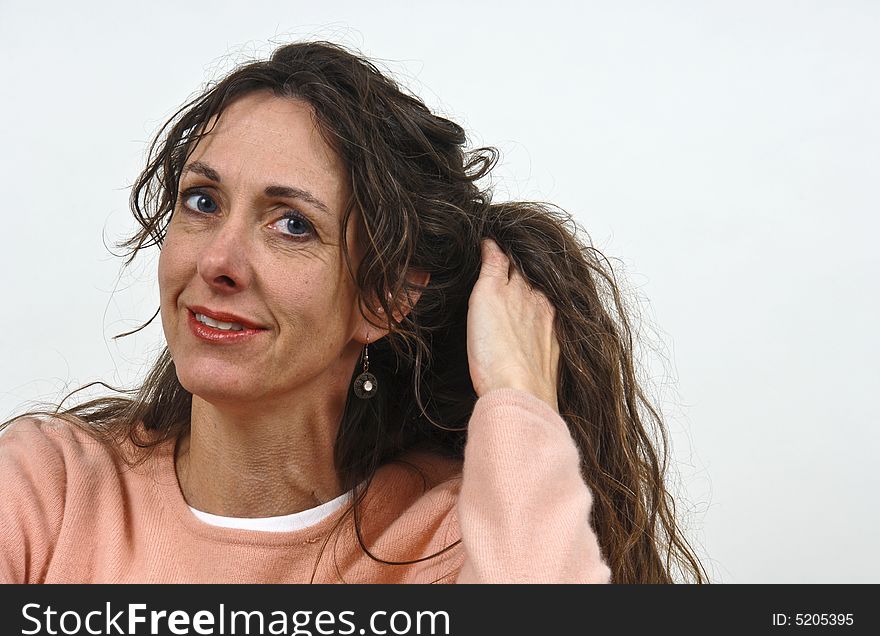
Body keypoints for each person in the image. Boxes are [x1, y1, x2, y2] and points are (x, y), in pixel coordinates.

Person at [0, 41, 706, 584]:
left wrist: (520, 403)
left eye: (292, 225)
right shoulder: (44, 492)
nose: (218, 260)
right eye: (203, 201)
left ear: (384, 298)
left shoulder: (455, 540)